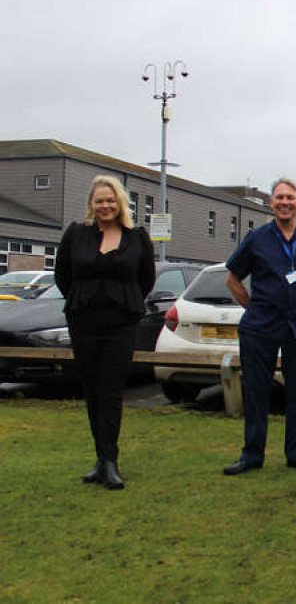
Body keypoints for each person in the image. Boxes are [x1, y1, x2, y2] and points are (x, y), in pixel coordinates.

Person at [222, 177, 296, 476]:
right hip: (260, 326)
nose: (285, 203)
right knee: (256, 391)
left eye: (290, 198)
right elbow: (232, 279)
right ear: (271, 203)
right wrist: (253, 307)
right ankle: (252, 454)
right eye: (279, 198)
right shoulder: (257, 238)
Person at [54, 175, 156, 490]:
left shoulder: (137, 237)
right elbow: (62, 277)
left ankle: (110, 461)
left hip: (121, 324)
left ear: (120, 203)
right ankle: (99, 459)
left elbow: (146, 280)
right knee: (92, 390)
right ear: (91, 204)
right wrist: (83, 299)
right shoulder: (75, 234)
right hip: (83, 321)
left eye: (110, 200)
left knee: (111, 390)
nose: (105, 206)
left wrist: (122, 300)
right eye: (99, 201)